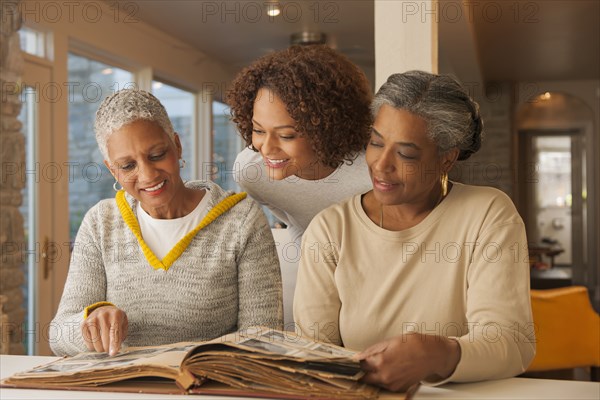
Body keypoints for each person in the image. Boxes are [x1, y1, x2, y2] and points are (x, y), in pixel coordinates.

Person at [293, 71, 535, 392]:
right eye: (376, 142)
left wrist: (437, 354)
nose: (381, 165)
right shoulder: (330, 229)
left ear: (446, 159)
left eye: (406, 153)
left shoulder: (487, 214)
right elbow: (313, 353)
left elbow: (512, 344)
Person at [50, 89, 282, 357]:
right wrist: (90, 320)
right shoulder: (100, 223)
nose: (147, 175)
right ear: (112, 169)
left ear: (177, 145)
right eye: (127, 166)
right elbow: (58, 336)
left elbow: (264, 338)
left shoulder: (241, 220)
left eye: (157, 155)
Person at [226, 45, 374, 247]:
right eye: (259, 131)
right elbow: (295, 221)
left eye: (286, 135)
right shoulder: (250, 172)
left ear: (324, 130)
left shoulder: (371, 169)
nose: (267, 148)